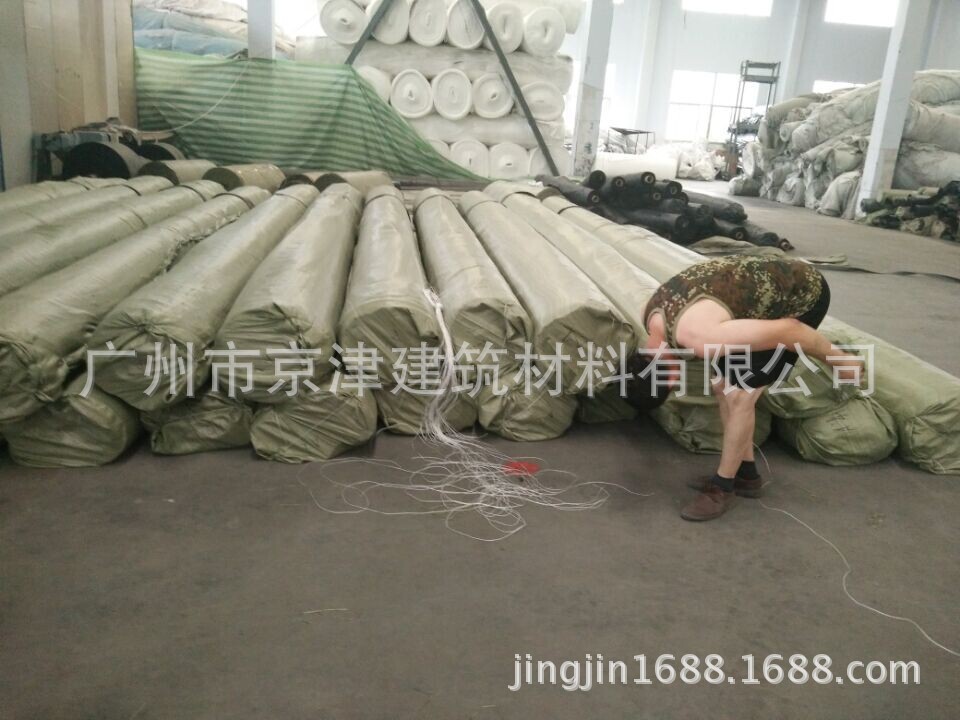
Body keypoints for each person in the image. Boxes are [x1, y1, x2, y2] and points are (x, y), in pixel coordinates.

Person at [637, 256, 860, 522]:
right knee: (722, 385)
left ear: (672, 381)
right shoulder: (650, 315)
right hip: (753, 295)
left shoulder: (701, 338)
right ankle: (747, 475)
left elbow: (792, 331)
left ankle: (723, 486)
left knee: (740, 394)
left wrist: (840, 361)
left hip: (802, 293)